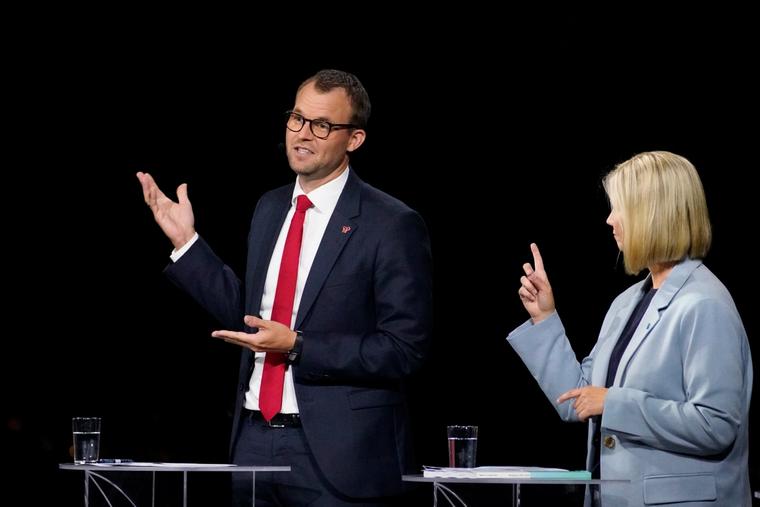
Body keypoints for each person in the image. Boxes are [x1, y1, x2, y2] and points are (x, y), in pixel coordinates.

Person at [137, 69, 433, 506]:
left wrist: (298, 344)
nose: (303, 134)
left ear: (354, 139)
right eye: (297, 118)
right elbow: (250, 317)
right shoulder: (271, 206)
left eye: (322, 125)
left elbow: (403, 349)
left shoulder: (391, 223)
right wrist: (187, 244)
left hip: (340, 455)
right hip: (254, 440)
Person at [507, 151, 752, 506]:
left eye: (619, 208)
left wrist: (614, 403)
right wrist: (545, 318)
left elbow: (715, 425)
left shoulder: (704, 304)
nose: (609, 220)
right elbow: (580, 400)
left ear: (651, 213)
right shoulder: (628, 302)